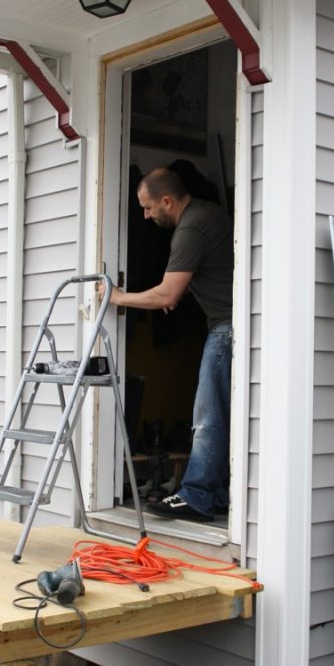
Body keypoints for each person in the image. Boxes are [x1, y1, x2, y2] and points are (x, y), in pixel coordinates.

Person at [101, 167, 233, 522]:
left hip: (226, 329)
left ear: (168, 201)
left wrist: (118, 297)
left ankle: (198, 496)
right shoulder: (207, 213)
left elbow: (166, 294)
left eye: (147, 208)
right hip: (232, 324)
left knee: (208, 416)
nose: (145, 216)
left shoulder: (189, 230)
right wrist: (183, 291)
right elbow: (215, 267)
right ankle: (217, 493)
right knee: (220, 413)